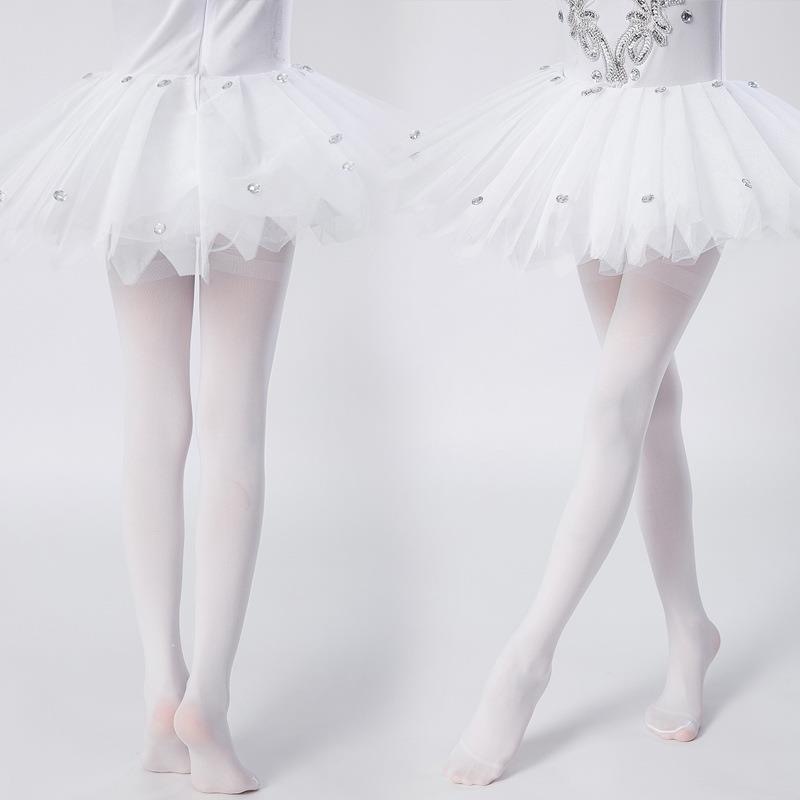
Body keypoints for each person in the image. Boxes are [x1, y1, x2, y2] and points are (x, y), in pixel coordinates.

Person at [0, 1, 400, 794]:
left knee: (153, 414)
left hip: (136, 135)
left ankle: (163, 688)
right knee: (233, 421)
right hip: (254, 131)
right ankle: (205, 701)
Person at [404, 0, 800, 786]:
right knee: (648, 400)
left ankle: (526, 660)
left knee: (617, 402)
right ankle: (689, 629)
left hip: (689, 142)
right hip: (590, 135)